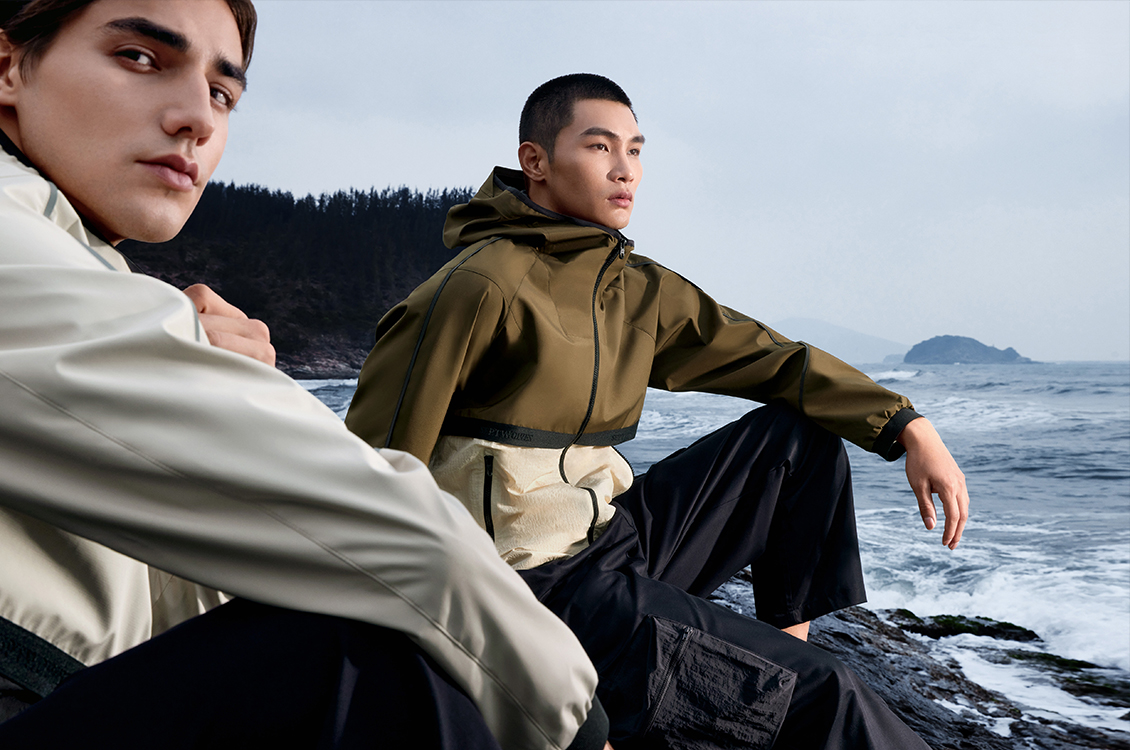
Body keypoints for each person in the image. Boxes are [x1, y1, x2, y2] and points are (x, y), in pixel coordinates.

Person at [0, 3, 610, 748]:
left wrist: (187, 356)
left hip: (75, 691)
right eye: (139, 58)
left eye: (223, 93)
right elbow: (398, 542)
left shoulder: (84, 273)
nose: (198, 119)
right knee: (367, 659)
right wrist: (572, 722)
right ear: (8, 65)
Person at [346, 73, 971, 749]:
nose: (626, 170)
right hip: (538, 591)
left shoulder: (634, 289)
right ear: (536, 161)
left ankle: (779, 657)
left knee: (794, 440)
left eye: (636, 150)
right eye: (599, 147)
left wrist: (907, 426)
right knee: (832, 696)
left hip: (612, 538)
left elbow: (776, 360)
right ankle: (789, 691)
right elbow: (370, 476)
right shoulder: (478, 288)